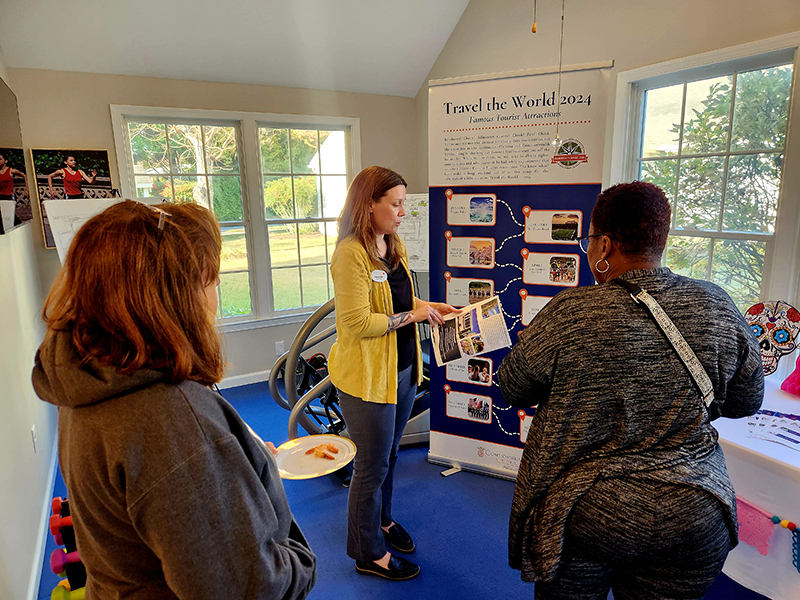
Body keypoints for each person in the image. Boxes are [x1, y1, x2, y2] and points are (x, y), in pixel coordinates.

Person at [32, 200, 317, 599]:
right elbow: (253, 588)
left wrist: (236, 470)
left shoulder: (86, 382)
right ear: (175, 295)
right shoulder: (172, 421)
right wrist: (299, 557)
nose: (215, 298)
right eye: (212, 281)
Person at [498, 181, 764, 600]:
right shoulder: (717, 303)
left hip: (588, 507)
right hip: (695, 508)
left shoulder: (573, 311)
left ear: (604, 245)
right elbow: (748, 400)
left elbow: (512, 386)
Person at [328, 166, 458, 581]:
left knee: (388, 456)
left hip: (401, 371)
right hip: (367, 379)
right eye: (396, 203)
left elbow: (401, 296)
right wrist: (412, 316)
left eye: (403, 203)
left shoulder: (390, 243)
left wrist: (431, 308)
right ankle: (368, 553)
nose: (404, 211)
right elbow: (358, 322)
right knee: (370, 465)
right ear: (369, 205)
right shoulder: (350, 253)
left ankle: (382, 522)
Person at [0, 152, 27, 230]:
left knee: (10, 216)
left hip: (9, 196)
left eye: (0, 159)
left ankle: (20, 227)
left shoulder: (11, 171)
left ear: (6, 161)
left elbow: (25, 176)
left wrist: (27, 189)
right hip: (0, 196)